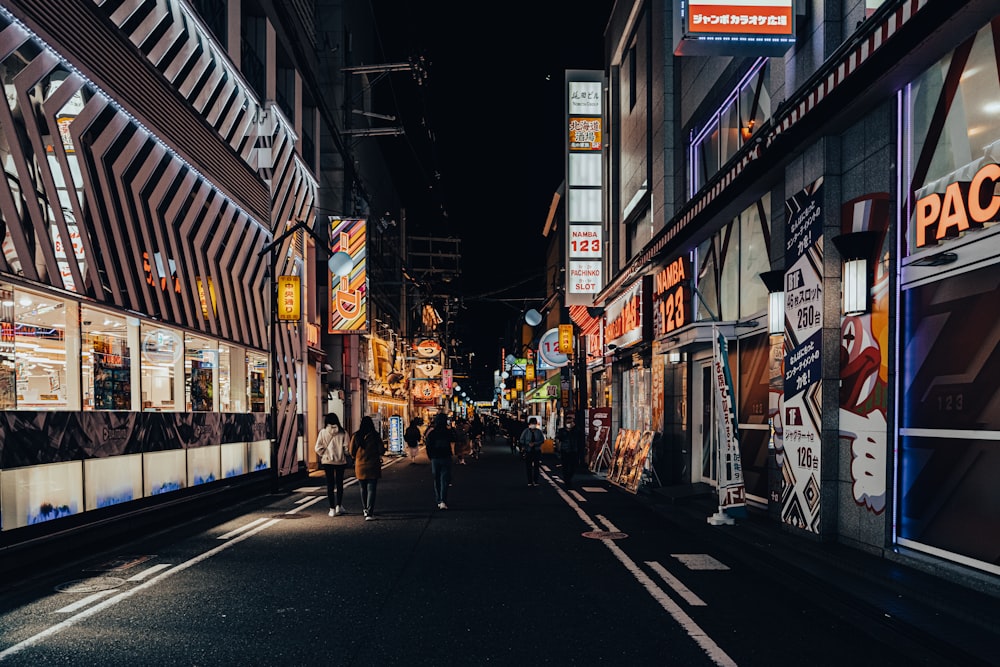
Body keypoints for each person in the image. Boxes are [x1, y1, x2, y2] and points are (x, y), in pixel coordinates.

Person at [314, 413, 351, 516]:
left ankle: (332, 509)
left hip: (327, 462)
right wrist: (344, 454)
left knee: (330, 485)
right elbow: (347, 450)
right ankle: (339, 506)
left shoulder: (323, 432)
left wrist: (324, 455)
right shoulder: (343, 432)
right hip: (340, 462)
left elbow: (317, 448)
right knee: (339, 484)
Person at [349, 415, 385, 520]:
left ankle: (365, 509)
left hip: (360, 465)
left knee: (362, 488)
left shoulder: (356, 436)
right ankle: (369, 513)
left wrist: (357, 457)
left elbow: (351, 451)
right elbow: (381, 450)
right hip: (373, 465)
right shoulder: (375, 435)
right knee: (371, 489)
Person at [423, 412, 456, 509]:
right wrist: (452, 428)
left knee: (437, 479)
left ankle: (438, 499)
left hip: (435, 458)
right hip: (446, 457)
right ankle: (443, 500)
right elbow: (455, 438)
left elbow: (428, 445)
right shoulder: (447, 431)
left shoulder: (432, 432)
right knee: (444, 479)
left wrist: (430, 456)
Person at [555, 414, 584, 489]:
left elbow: (581, 440)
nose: (569, 424)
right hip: (564, 451)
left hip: (574, 451)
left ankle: (568, 478)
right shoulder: (562, 431)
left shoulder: (577, 430)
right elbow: (558, 439)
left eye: (570, 422)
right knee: (565, 467)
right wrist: (558, 449)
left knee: (573, 467)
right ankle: (567, 481)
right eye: (568, 422)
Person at [519, 417, 545, 486]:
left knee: (537, 466)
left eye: (534, 423)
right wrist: (528, 443)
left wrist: (535, 443)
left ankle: (536, 481)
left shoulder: (539, 432)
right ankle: (530, 481)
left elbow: (542, 440)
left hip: (537, 451)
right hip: (528, 451)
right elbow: (521, 440)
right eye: (532, 423)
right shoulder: (526, 431)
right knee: (528, 467)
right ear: (529, 424)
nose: (533, 425)